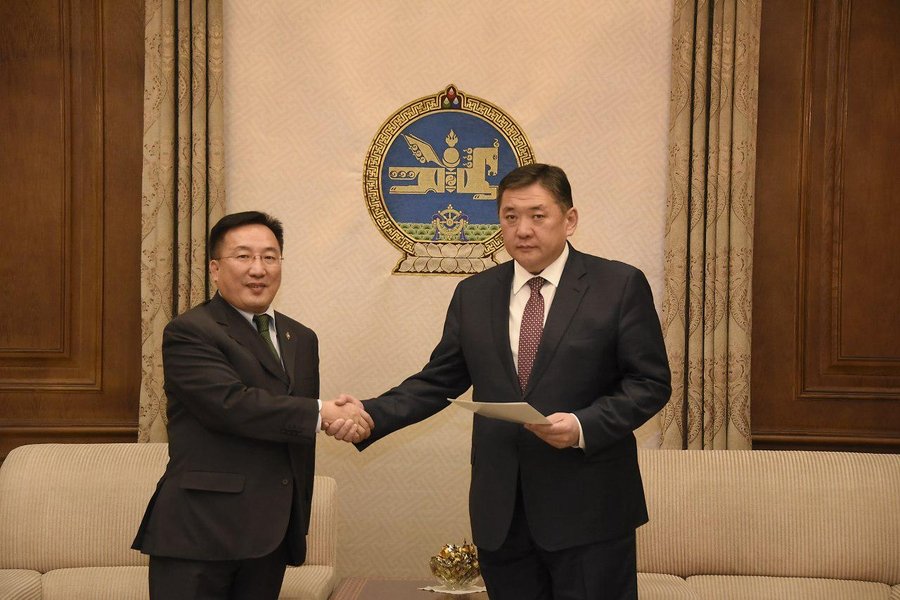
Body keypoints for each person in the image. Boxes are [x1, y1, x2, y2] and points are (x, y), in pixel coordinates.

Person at [336, 164, 671, 599]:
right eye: (510, 217)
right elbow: (437, 382)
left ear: (569, 220)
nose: (522, 229)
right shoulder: (474, 293)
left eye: (537, 215)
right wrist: (369, 413)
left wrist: (582, 426)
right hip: (502, 515)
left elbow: (649, 382)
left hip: (590, 511)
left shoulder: (618, 285)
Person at [132, 211, 372, 600]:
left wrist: (334, 419)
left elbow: (293, 428)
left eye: (269, 257)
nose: (258, 269)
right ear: (215, 269)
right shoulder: (191, 331)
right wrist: (323, 413)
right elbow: (230, 404)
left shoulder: (301, 338)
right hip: (200, 533)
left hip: (270, 534)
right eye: (243, 256)